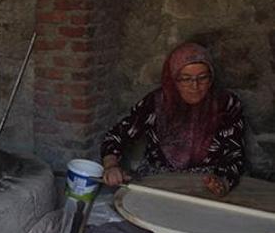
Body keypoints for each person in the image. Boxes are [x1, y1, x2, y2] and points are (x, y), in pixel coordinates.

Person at [101, 42, 245, 197]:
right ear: (172, 79)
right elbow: (116, 136)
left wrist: (223, 181)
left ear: (211, 78)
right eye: (185, 79)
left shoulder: (226, 104)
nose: (195, 86)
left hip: (206, 182)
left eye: (202, 78)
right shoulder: (156, 103)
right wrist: (111, 166)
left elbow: (234, 153)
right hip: (158, 179)